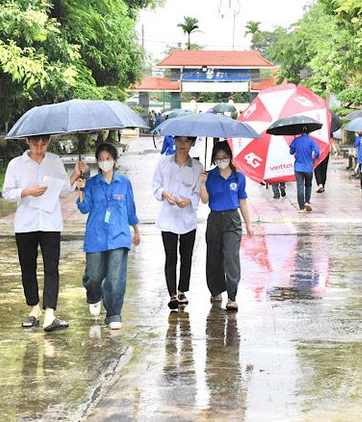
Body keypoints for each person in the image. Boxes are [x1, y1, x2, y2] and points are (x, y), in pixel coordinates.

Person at [2, 134, 85, 332]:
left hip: (50, 222)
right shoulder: (16, 164)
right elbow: (7, 192)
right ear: (27, 142)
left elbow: (63, 189)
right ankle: (34, 309)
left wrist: (75, 174)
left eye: (44, 143)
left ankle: (50, 312)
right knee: (28, 267)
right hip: (26, 223)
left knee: (51, 267)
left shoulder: (54, 161)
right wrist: (27, 191)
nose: (40, 147)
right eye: (35, 143)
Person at [77, 143, 140, 329]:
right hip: (96, 236)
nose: (105, 162)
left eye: (108, 159)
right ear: (97, 162)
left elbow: (130, 209)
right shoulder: (91, 184)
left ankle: (114, 313)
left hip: (119, 235)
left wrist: (136, 230)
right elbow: (84, 208)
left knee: (115, 277)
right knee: (94, 276)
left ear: (115, 161)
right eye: (101, 159)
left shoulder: (124, 183)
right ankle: (94, 295)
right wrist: (80, 190)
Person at [200, 141, 254, 311]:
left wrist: (249, 225)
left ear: (230, 157)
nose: (221, 160)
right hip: (215, 219)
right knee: (214, 257)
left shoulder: (238, 177)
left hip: (232, 219)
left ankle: (232, 296)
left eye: (224, 157)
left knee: (231, 257)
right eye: (218, 158)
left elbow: (243, 202)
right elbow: (204, 199)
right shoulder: (209, 176)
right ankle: (215, 290)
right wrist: (201, 183)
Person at [152, 136, 203, 310]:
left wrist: (189, 201)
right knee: (171, 257)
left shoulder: (197, 167)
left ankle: (182, 290)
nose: (182, 145)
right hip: (167, 218)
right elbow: (155, 186)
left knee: (186, 257)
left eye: (186, 141)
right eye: (179, 140)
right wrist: (164, 193)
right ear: (174, 141)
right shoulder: (164, 163)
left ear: (193, 143)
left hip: (188, 219)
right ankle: (172, 294)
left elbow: (197, 193)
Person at [289, 130, 320, 213]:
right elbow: (317, 151)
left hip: (298, 167)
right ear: (308, 132)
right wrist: (315, 157)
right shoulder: (311, 141)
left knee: (300, 186)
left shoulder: (296, 140)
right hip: (308, 167)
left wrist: (293, 146)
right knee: (308, 185)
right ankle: (307, 201)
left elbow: (291, 152)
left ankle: (301, 208)